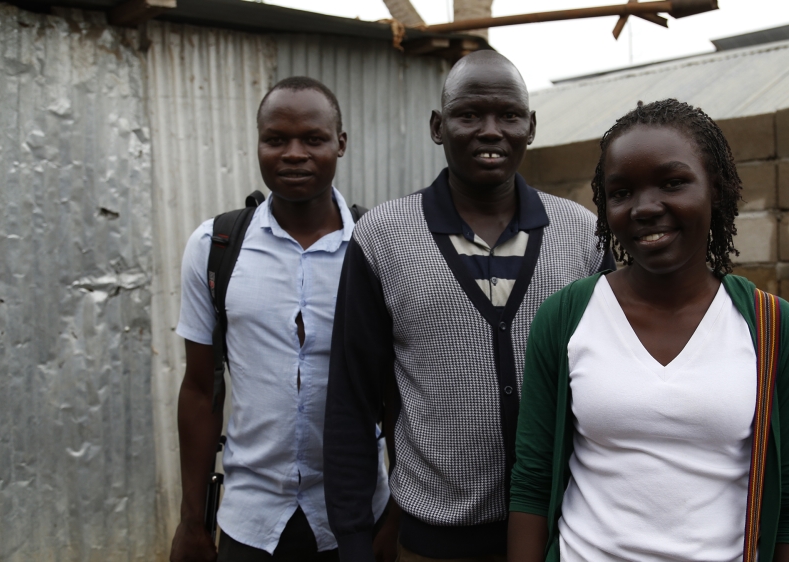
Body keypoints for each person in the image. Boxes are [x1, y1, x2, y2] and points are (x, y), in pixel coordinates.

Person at [323, 50, 615, 562]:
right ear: (438, 127)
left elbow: (617, 382)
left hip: (567, 533)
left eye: (508, 115)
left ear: (531, 127)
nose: (490, 130)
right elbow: (352, 399)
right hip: (435, 541)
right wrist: (352, 538)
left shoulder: (582, 236)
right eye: (468, 114)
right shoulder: (384, 238)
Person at [507, 99, 789, 562]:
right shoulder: (566, 317)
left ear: (714, 189)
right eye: (621, 193)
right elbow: (533, 481)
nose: (645, 208)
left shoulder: (772, 326)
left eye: (673, 183)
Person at [170, 77, 390, 562]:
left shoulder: (379, 247)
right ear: (258, 144)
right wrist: (192, 520)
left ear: (341, 143)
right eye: (276, 140)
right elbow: (200, 390)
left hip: (357, 520)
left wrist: (394, 519)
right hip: (251, 521)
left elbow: (406, 391)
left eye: (313, 139)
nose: (294, 153)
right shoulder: (215, 247)